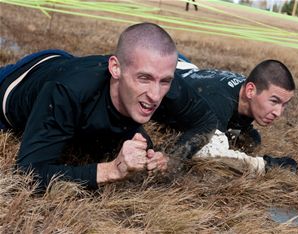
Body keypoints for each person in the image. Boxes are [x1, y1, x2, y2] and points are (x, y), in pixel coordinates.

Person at [0, 22, 178, 189]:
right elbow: (27, 175)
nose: (155, 96)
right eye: (144, 78)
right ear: (116, 68)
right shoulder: (65, 93)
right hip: (17, 78)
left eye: (165, 81)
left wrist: (151, 155)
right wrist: (111, 170)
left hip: (70, 64)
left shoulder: (148, 80)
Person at [152, 56, 298, 173]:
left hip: (186, 68)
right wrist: (265, 165)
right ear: (250, 91)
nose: (278, 112)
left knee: (252, 140)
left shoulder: (245, 92)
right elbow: (209, 154)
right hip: (165, 70)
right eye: (274, 101)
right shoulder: (218, 103)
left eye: (284, 104)